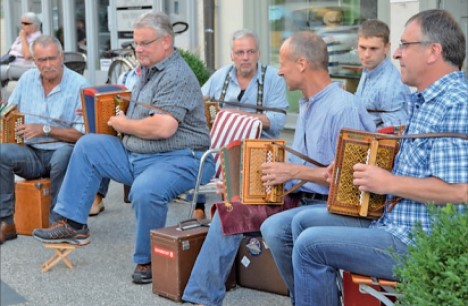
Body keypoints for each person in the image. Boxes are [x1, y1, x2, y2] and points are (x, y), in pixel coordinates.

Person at [283, 10, 467, 306]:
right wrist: (350, 167)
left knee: (308, 246)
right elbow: (417, 165)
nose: (396, 54)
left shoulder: (455, 103)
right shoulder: (427, 98)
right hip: (393, 219)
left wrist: (387, 182)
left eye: (405, 45)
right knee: (301, 223)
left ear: (433, 51)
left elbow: (460, 191)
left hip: (417, 239)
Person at [182, 31, 375, 306]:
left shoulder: (343, 107)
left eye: (283, 63)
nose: (280, 72)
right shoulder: (310, 103)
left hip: (330, 206)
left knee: (275, 228)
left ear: (302, 64)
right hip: (303, 197)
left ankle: (304, 297)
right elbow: (299, 170)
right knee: (230, 209)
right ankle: (201, 299)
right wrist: (241, 186)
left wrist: (293, 172)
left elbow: (351, 181)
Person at [32, 12, 215, 285]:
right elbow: (141, 112)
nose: (138, 49)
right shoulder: (148, 70)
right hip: (140, 154)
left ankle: (148, 259)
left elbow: (164, 127)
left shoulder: (176, 74)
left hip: (180, 159)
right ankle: (73, 224)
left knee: (145, 190)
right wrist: (106, 110)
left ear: (166, 42)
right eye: (135, 44)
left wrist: (123, 123)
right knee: (88, 145)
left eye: (145, 43)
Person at [0, 35, 88, 244]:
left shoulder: (79, 84)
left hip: (61, 151)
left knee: (66, 155)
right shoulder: (27, 80)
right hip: (30, 153)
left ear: (61, 57)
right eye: (42, 60)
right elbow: (9, 113)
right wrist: (8, 124)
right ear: (34, 62)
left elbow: (81, 135)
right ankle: (6, 222)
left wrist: (45, 129)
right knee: (2, 152)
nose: (48, 65)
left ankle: (57, 223)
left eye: (52, 58)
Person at [193, 29, 289, 220]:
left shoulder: (273, 78)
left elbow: (278, 121)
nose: (245, 57)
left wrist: (237, 116)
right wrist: (209, 113)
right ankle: (200, 204)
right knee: (199, 149)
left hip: (259, 147)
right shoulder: (221, 76)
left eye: (250, 52)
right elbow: (198, 102)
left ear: (258, 54)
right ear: (232, 55)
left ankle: (233, 217)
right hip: (223, 146)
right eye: (240, 53)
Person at [354, 19, 410, 128]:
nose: (366, 54)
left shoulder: (390, 86)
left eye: (373, 48)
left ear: (386, 48)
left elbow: (395, 136)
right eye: (362, 47)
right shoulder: (369, 69)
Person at [1, 12, 42, 86]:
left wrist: (23, 38)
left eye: (26, 23)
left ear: (34, 26)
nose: (22, 26)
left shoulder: (37, 38)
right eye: (22, 23)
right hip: (13, 64)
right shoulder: (24, 35)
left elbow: (27, 55)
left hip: (25, 67)